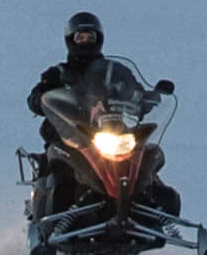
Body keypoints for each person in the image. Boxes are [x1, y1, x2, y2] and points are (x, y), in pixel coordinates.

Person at [26, 12, 177, 224]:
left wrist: (150, 98)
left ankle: (158, 217)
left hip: (111, 130)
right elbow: (37, 96)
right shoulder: (59, 73)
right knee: (59, 166)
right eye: (80, 37)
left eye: (90, 37)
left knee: (147, 161)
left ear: (99, 39)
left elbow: (135, 90)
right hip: (71, 134)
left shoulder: (116, 71)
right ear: (71, 40)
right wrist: (40, 98)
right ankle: (49, 223)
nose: (86, 42)